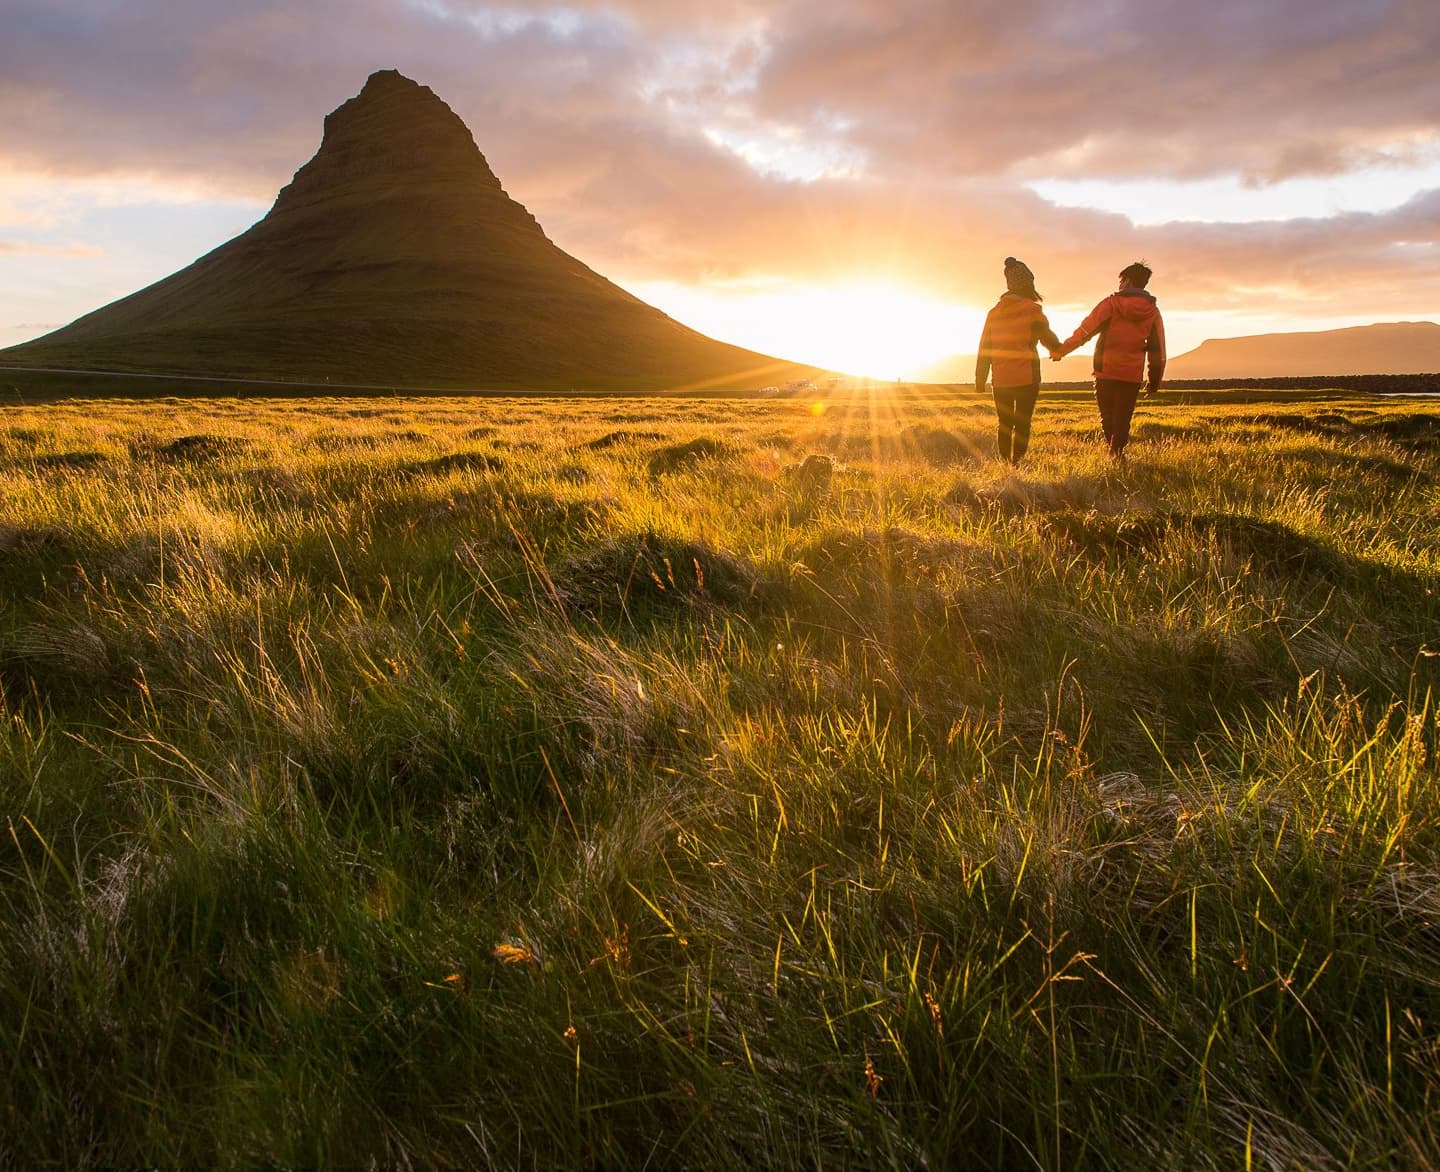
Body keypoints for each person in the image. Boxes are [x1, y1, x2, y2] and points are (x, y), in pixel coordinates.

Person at [1051, 260, 1166, 460]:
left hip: (1106, 371)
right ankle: (1117, 453)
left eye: (1121, 281)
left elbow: (1085, 331)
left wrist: (1061, 350)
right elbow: (1159, 351)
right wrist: (1154, 381)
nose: (1119, 285)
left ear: (1128, 281)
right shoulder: (1153, 312)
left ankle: (1115, 454)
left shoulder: (1110, 304)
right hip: (1132, 374)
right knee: (1123, 418)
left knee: (1108, 417)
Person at [975, 257, 1062, 464]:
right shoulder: (1033, 310)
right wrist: (1057, 351)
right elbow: (1047, 337)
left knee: (1004, 424)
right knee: (1023, 424)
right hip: (1027, 377)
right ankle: (1018, 463)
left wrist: (980, 380)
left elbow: (984, 348)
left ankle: (1006, 464)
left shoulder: (994, 313)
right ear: (1028, 285)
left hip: (1001, 379)